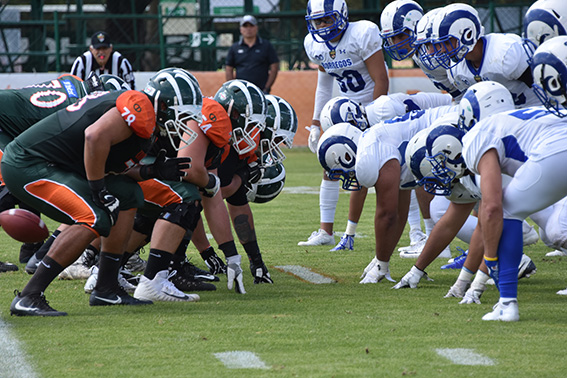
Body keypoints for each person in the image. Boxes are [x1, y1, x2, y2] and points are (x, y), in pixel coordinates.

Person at [6, 79, 198, 316]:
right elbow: (93, 137)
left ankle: (106, 288)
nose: (185, 123)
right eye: (182, 114)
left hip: (58, 165)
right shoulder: (139, 107)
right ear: (163, 105)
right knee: (93, 217)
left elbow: (116, 168)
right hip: (29, 163)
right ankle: (29, 296)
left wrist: (152, 171)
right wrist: (98, 189)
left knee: (129, 195)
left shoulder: (145, 122)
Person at [457, 36, 567, 321]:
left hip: (558, 150)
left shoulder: (476, 136)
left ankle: (507, 304)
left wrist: (490, 259)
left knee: (508, 210)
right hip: (556, 142)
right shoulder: (519, 118)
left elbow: (492, 206)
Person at [300, 0, 389, 248]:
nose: (322, 25)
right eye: (318, 20)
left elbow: (381, 79)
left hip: (372, 107)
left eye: (327, 19)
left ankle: (350, 233)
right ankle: (325, 231)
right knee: (329, 166)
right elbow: (324, 84)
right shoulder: (314, 45)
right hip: (342, 111)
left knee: (362, 169)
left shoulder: (362, 34)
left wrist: (373, 115)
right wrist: (316, 123)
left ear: (341, 15)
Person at [225, 15, 279, 94]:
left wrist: (267, 88)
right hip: (241, 92)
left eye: (251, 25)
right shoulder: (234, 47)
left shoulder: (266, 46)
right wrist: (234, 88)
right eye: (245, 26)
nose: (248, 29)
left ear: (256, 28)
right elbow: (229, 68)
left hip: (261, 91)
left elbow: (274, 66)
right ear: (241, 29)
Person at [71, 31, 135, 90]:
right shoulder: (82, 62)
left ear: (111, 48)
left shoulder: (121, 62)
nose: (101, 52)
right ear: (91, 49)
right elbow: (73, 88)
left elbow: (131, 90)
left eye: (104, 48)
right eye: (98, 49)